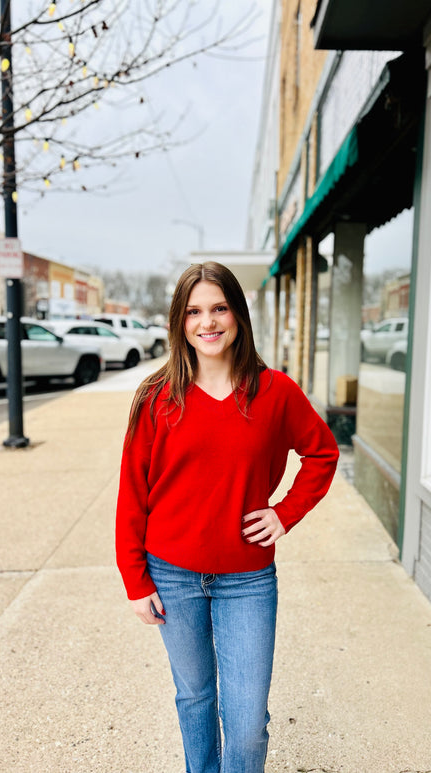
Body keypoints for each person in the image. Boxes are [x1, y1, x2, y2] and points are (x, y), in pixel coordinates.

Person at [116, 261, 339, 773]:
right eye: (194, 312)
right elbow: (132, 495)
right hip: (171, 575)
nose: (208, 322)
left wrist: (284, 513)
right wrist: (135, 579)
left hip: (248, 579)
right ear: (179, 321)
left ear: (238, 314)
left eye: (219, 308)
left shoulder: (275, 392)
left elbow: (322, 454)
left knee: (245, 721)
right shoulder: (156, 399)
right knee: (194, 697)